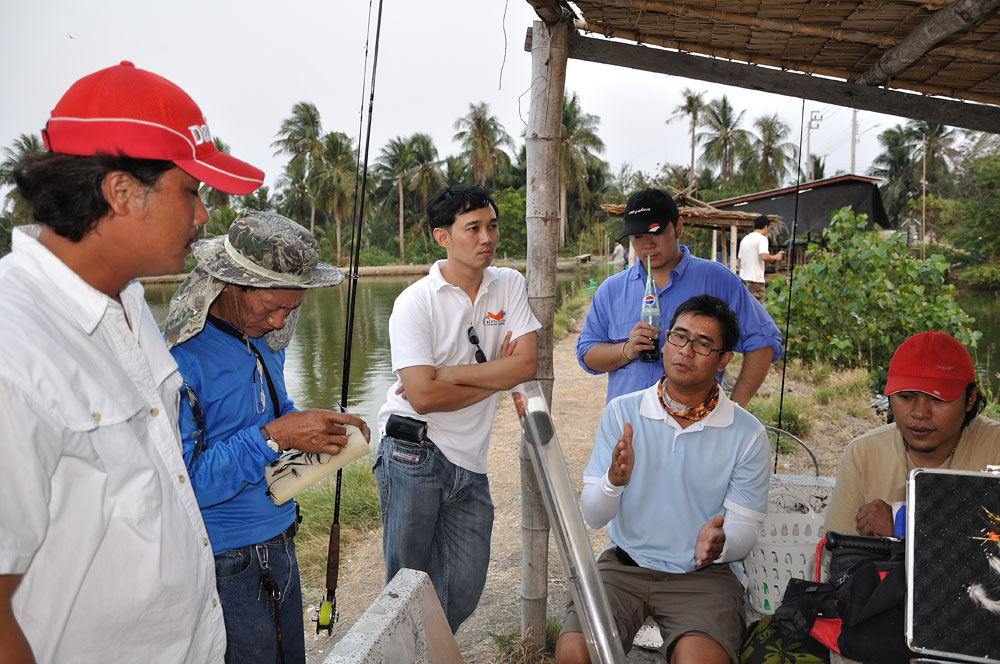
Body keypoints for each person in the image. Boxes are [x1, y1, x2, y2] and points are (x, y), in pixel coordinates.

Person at [0, 61, 264, 663]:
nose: (202, 216)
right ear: (121, 192)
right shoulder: (14, 350)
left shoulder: (125, 300)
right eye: (191, 191)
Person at [163, 211, 370, 663]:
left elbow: (274, 414)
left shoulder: (263, 336)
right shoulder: (182, 362)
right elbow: (186, 484)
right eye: (270, 308)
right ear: (233, 287)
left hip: (281, 539)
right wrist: (275, 435)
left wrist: (315, 427)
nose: (279, 323)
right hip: (226, 562)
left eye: (290, 310)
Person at [556, 295, 770, 664]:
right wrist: (613, 481)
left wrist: (720, 543)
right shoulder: (624, 412)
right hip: (624, 566)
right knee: (575, 654)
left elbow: (744, 531)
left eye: (703, 344)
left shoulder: (747, 433)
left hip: (703, 578)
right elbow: (594, 516)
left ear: (723, 360)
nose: (685, 351)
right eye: (678, 336)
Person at [375, 184, 540, 633]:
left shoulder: (508, 284)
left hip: (470, 459)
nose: (487, 237)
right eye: (473, 228)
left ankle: (423, 651)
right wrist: (496, 377)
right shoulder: (414, 302)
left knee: (464, 585)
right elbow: (422, 398)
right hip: (413, 451)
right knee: (406, 585)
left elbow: (525, 364)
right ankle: (410, 652)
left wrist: (447, 373)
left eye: (492, 226)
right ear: (442, 237)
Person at [577, 188, 783, 406]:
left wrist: (734, 408)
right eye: (638, 236)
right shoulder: (612, 290)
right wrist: (626, 350)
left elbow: (764, 342)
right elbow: (588, 354)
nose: (647, 244)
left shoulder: (718, 280)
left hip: (698, 429)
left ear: (678, 227)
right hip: (630, 430)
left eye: (655, 231)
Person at [826, 330, 1000, 537]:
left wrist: (904, 524)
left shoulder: (995, 447)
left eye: (938, 399)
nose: (919, 413)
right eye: (906, 397)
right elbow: (840, 554)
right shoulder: (863, 453)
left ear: (970, 399)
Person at [737, 214, 784, 305]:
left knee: (746, 306)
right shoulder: (762, 239)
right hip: (755, 280)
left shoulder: (745, 239)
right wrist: (776, 257)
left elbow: (739, 261)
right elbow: (764, 256)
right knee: (758, 308)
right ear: (766, 226)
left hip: (743, 279)